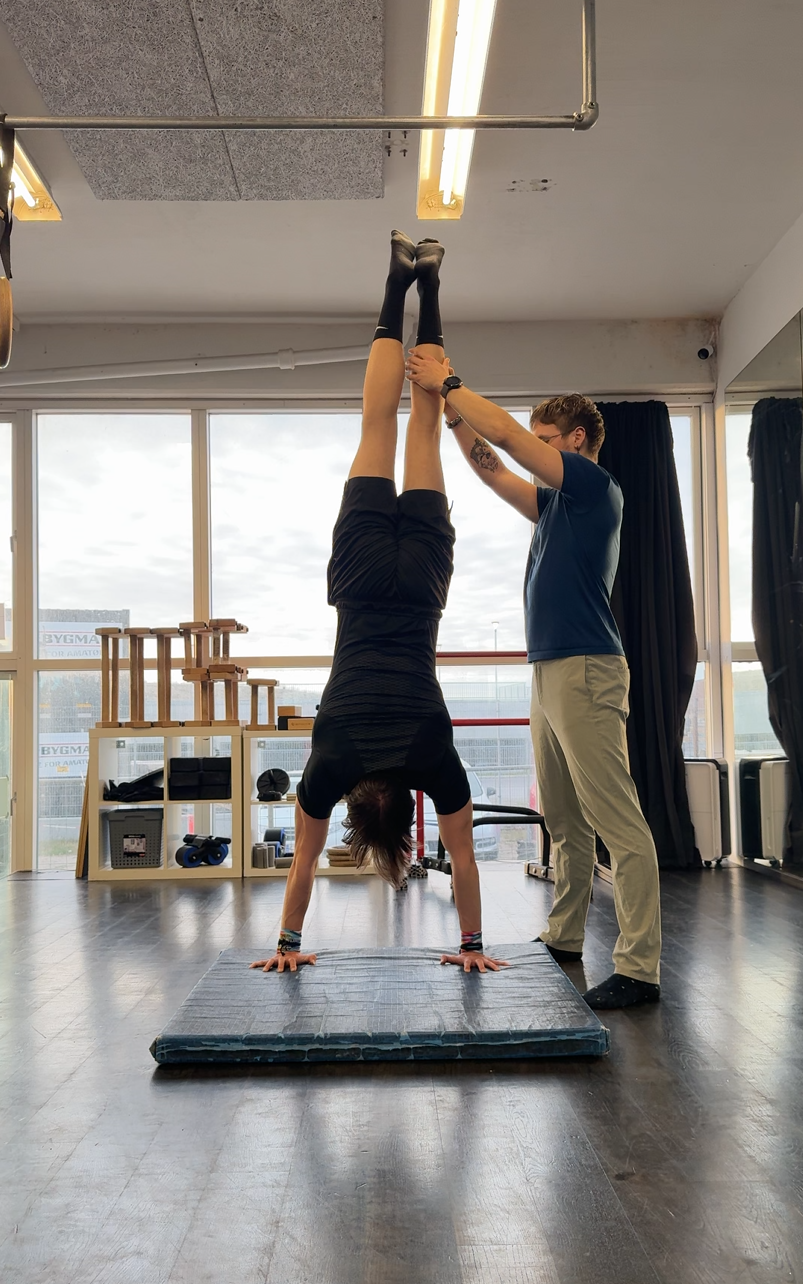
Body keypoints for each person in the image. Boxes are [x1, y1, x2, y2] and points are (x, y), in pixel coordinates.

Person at [251, 232, 507, 977]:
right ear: (360, 811)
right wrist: (287, 947)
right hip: (360, 584)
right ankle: (396, 283)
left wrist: (471, 949)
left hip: (420, 587)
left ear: (402, 811)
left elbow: (462, 861)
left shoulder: (435, 758)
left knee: (423, 424)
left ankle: (429, 282)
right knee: (376, 425)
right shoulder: (330, 764)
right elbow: (300, 869)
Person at [403, 356, 662, 1010]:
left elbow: (511, 445)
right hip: (549, 670)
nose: (531, 449)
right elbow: (493, 470)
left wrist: (451, 384)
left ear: (574, 440)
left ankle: (639, 966)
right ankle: (565, 934)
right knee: (567, 822)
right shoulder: (553, 506)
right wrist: (452, 416)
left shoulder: (593, 487)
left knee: (616, 822)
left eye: (545, 440)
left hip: (586, 668)